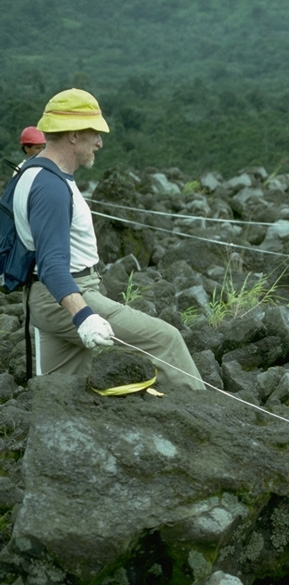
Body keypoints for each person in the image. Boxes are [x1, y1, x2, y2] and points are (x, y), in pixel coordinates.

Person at [12, 88, 205, 391]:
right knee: (166, 341)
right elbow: (51, 265)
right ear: (73, 134)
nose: (100, 142)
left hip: (44, 297)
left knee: (62, 391)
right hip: (66, 295)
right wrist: (85, 317)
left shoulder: (30, 172)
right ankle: (205, 425)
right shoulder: (50, 187)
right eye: (95, 133)